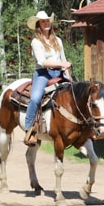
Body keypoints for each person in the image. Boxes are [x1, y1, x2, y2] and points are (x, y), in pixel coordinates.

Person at [24, 11, 73, 146]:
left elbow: (63, 60)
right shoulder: (36, 42)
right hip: (43, 74)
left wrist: (69, 78)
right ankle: (29, 130)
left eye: (47, 21)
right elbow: (42, 62)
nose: (46, 23)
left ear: (50, 23)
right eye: (43, 21)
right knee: (35, 98)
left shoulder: (58, 41)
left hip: (59, 73)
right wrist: (62, 64)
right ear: (38, 25)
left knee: (77, 93)